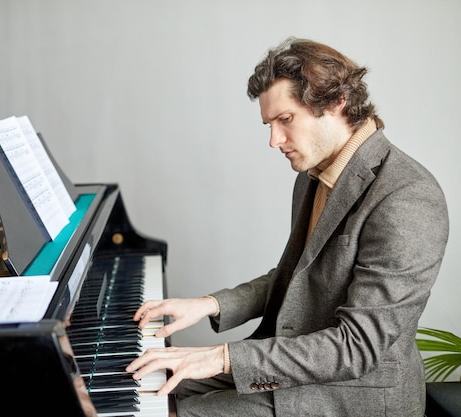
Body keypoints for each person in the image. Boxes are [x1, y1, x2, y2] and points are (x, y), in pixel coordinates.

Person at [125, 37, 449, 417]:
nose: (274, 140)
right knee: (142, 387)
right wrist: (208, 305)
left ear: (335, 103)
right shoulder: (314, 173)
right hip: (296, 364)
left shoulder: (407, 197)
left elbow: (356, 347)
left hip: (354, 394)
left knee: (166, 411)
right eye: (270, 123)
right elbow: (300, 276)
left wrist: (221, 357)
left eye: (286, 120)